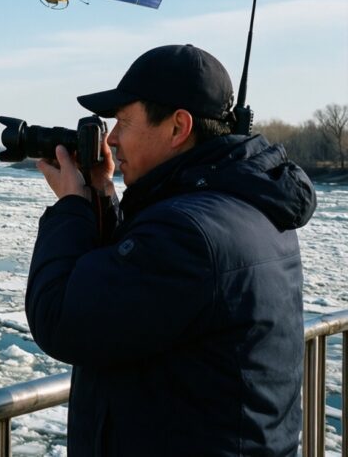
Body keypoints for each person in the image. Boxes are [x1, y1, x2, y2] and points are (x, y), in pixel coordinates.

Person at [25, 44, 317, 456]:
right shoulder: (249, 205)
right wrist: (103, 193)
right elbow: (135, 282)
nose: (112, 139)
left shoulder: (189, 233)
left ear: (178, 127)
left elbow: (60, 319)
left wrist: (72, 206)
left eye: (123, 122)